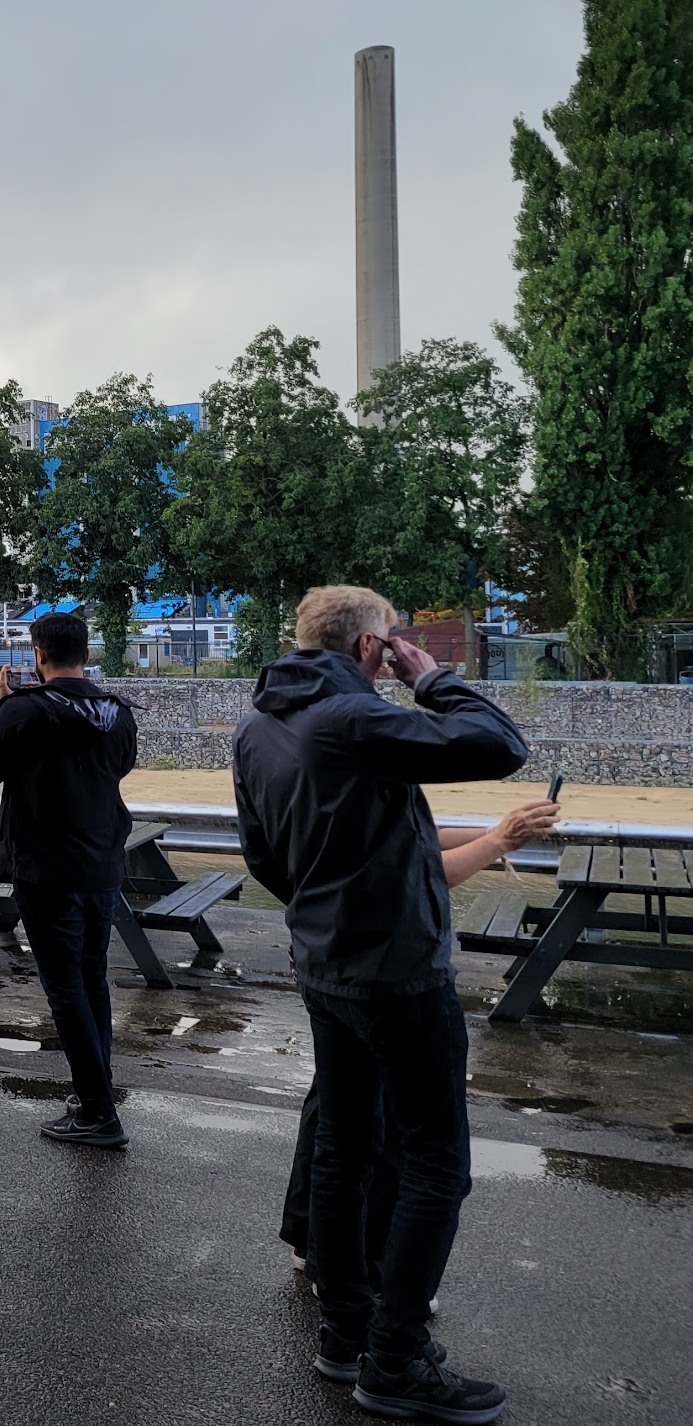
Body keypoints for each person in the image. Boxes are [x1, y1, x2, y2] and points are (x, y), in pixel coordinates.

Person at [234, 585, 527, 1425]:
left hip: (325, 965)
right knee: (436, 1162)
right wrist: (432, 678)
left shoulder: (258, 725)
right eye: (392, 641)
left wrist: (325, 911)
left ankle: (344, 1333)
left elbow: (262, 852)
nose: (400, 651)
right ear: (371, 648)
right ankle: (395, 1361)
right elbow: (500, 743)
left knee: (343, 1146)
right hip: (397, 971)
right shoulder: (351, 719)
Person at [278, 799, 561, 1276]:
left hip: (325, 953)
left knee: (336, 1115)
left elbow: (414, 836)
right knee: (400, 1133)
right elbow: (411, 871)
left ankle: (318, 1247)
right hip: (385, 968)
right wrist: (498, 841)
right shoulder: (358, 751)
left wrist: (493, 833)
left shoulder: (291, 747)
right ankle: (366, 1280)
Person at [0, 610, 139, 1150]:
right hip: (102, 862)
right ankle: (97, 1094)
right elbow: (121, 767)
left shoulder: (23, 711)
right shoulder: (118, 711)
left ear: (37, 656)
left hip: (45, 866)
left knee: (64, 988)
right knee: (92, 980)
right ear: (86, 655)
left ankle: (98, 1114)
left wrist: (0, 708)